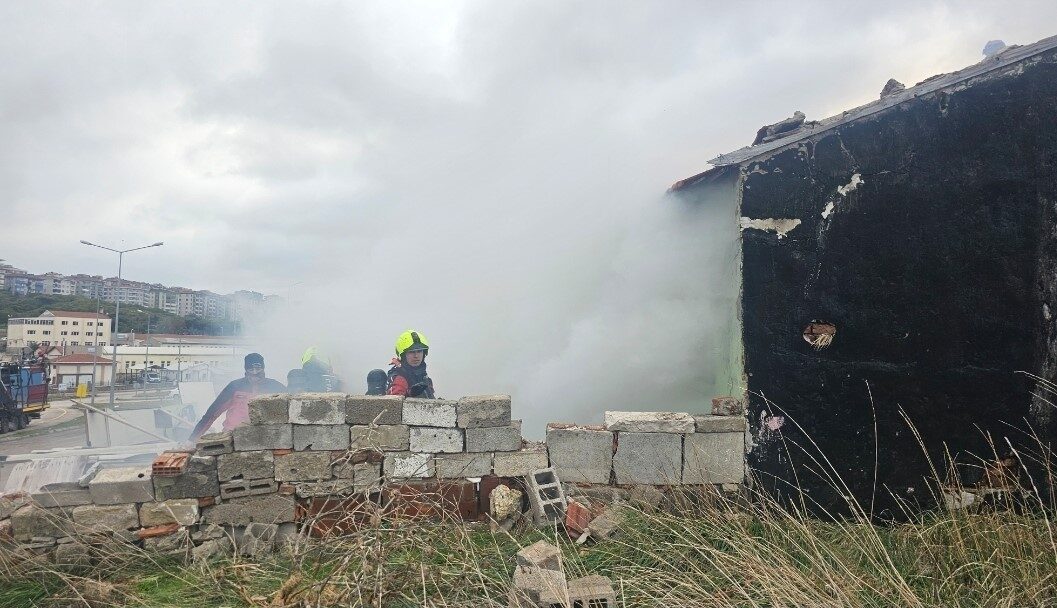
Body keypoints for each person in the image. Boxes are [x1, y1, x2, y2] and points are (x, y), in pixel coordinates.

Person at [189, 353, 286, 439]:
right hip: (232, 435)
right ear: (245, 369)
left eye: (258, 368)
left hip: (263, 435)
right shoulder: (234, 387)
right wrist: (192, 439)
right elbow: (212, 413)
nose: (254, 372)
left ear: (263, 368)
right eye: (250, 369)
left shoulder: (275, 387)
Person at [387, 330, 435, 398]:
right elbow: (393, 405)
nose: (416, 356)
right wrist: (410, 394)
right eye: (411, 352)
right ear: (403, 356)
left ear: (424, 353)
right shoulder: (400, 379)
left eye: (419, 351)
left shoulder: (424, 377)